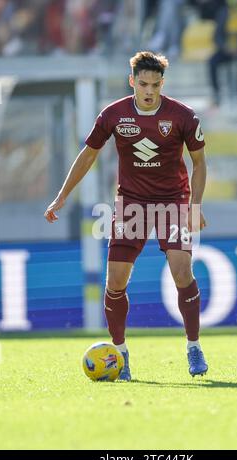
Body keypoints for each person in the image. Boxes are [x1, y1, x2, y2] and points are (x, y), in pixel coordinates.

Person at [44, 51, 208, 381]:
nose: (149, 91)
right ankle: (121, 353)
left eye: (156, 85)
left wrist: (195, 205)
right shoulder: (114, 115)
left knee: (181, 270)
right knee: (115, 281)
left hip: (173, 201)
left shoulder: (183, 116)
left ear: (163, 84)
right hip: (130, 204)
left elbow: (199, 163)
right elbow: (88, 154)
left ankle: (193, 346)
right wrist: (62, 196)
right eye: (144, 84)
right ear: (132, 81)